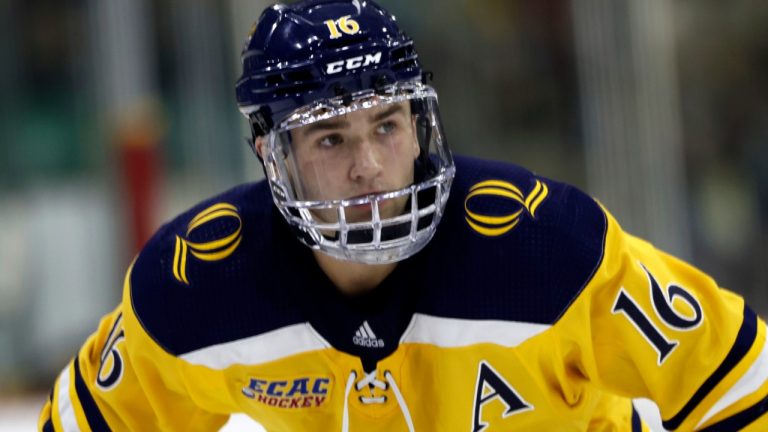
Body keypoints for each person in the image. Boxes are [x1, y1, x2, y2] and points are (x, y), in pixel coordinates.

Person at [39, 1, 768, 431]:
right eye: (331, 137)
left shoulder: (546, 249)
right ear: (270, 151)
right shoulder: (194, 287)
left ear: (421, 124)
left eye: (388, 125)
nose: (369, 165)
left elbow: (739, 377)